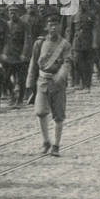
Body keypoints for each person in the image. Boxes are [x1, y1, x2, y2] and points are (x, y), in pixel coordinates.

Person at [27, 12, 72, 156]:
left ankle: (56, 145)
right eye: (51, 25)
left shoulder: (64, 44)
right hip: (42, 82)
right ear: (46, 27)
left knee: (58, 116)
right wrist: (29, 82)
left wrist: (61, 76)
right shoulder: (39, 43)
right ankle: (46, 141)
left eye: (56, 25)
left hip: (57, 83)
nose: (53, 28)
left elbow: (67, 62)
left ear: (60, 27)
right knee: (40, 112)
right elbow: (33, 63)